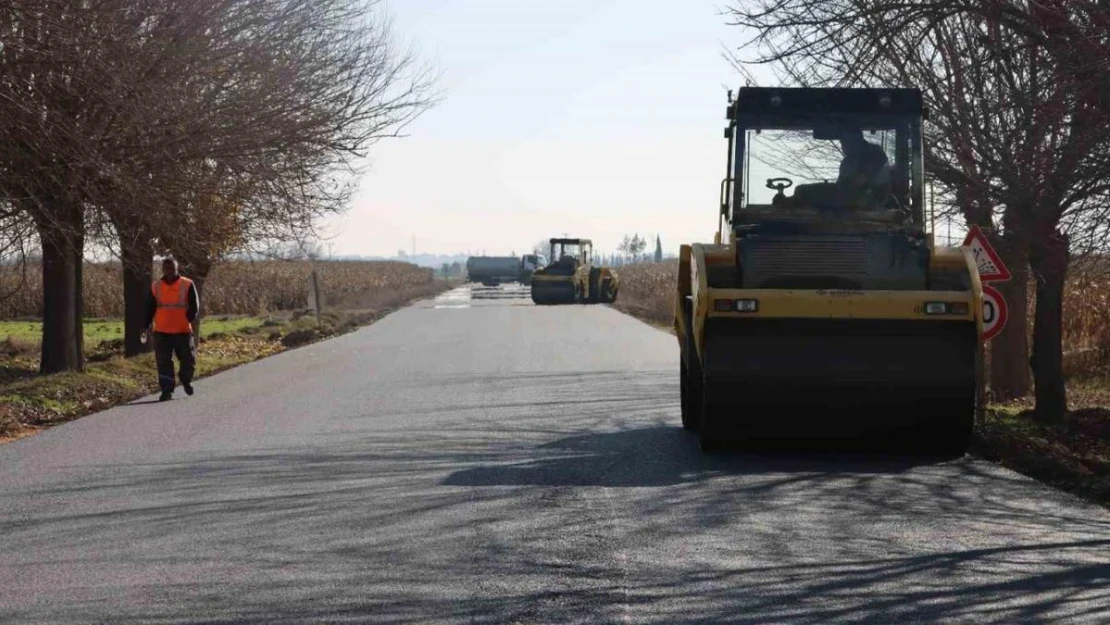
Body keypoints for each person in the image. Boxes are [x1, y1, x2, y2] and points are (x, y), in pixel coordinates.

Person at [143, 257, 200, 401]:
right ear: (162, 269)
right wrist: (145, 325)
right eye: (166, 268)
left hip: (182, 331)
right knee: (163, 362)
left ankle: (186, 380)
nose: (169, 271)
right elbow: (149, 308)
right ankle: (167, 390)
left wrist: (190, 316)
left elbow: (194, 305)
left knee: (188, 360)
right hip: (162, 331)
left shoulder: (187, 284)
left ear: (176, 269)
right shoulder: (156, 286)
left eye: (172, 268)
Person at [836, 128, 892, 208]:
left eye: (846, 143)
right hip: (849, 206)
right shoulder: (847, 162)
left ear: (857, 142)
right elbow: (841, 184)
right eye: (842, 143)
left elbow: (863, 179)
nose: (843, 147)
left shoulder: (875, 155)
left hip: (876, 206)